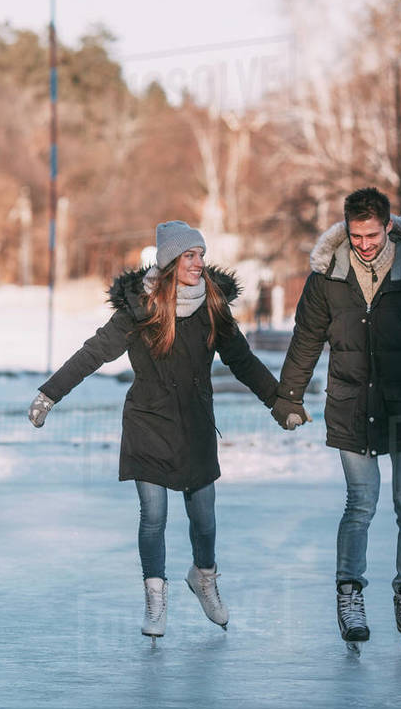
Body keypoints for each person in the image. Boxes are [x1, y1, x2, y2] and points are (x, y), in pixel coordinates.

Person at [28, 221, 278, 644]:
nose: (200, 263)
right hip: (148, 422)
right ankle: (155, 597)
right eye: (190, 256)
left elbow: (243, 360)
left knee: (204, 519)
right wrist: (48, 394)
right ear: (170, 262)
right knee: (154, 516)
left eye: (201, 254)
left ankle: (204, 577)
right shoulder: (138, 309)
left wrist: (279, 400)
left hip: (195, 426)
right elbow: (93, 353)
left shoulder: (212, 307)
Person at [270, 187, 401, 655]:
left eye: (372, 235)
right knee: (360, 502)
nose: (364, 244)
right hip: (352, 407)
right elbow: (305, 342)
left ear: (389, 228)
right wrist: (289, 398)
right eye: (356, 235)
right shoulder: (328, 277)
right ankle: (350, 596)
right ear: (346, 229)